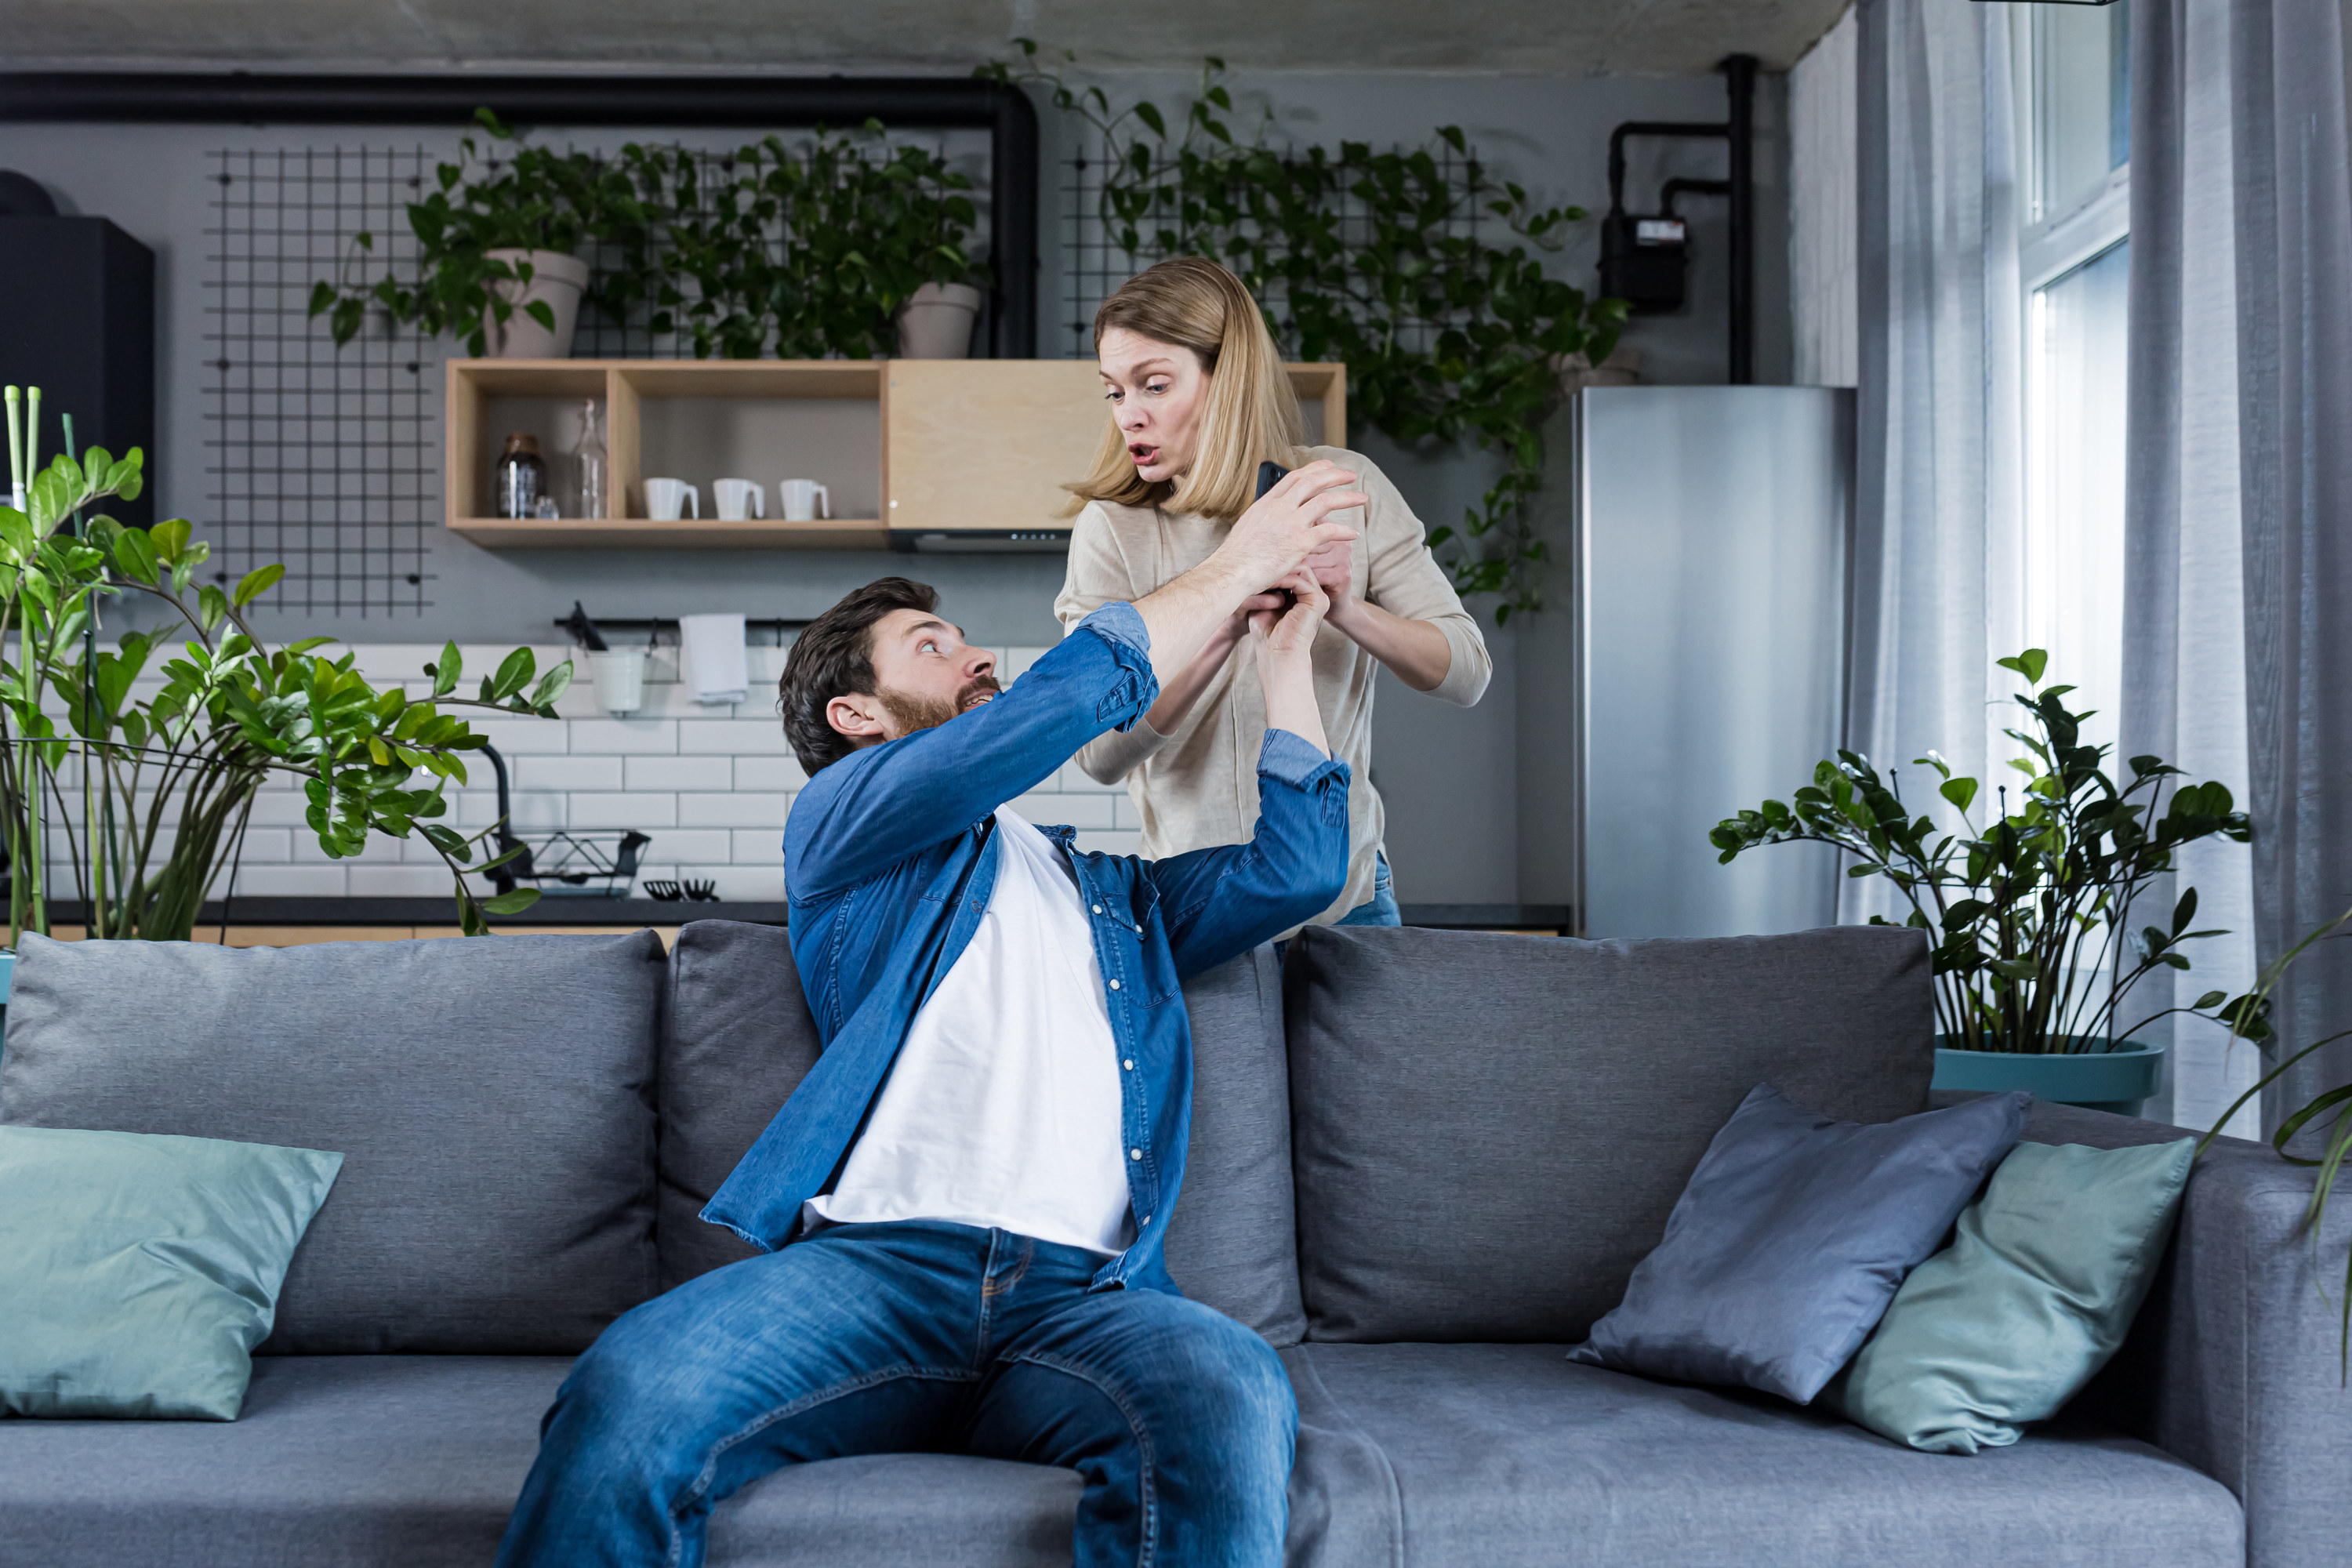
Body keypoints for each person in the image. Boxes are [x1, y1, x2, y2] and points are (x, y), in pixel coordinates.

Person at [495, 469, 1361, 1568]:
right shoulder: (848, 828)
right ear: (856, 715)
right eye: (932, 645)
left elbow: (1298, 867)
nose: (975, 655)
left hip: (1086, 1296)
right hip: (872, 1276)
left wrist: (1283, 654)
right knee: (633, 1387)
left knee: (1233, 1387)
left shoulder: (1116, 897)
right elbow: (1058, 710)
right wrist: (1238, 565)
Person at [1056, 255, 1493, 933]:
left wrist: (1345, 608)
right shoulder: (1113, 529)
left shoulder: (1343, 488)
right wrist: (1223, 621)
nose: (1128, 416)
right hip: (1197, 904)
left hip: (1348, 905)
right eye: (1115, 392)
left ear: (1224, 379)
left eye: (1154, 385)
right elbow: (1098, 756)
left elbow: (1465, 673)